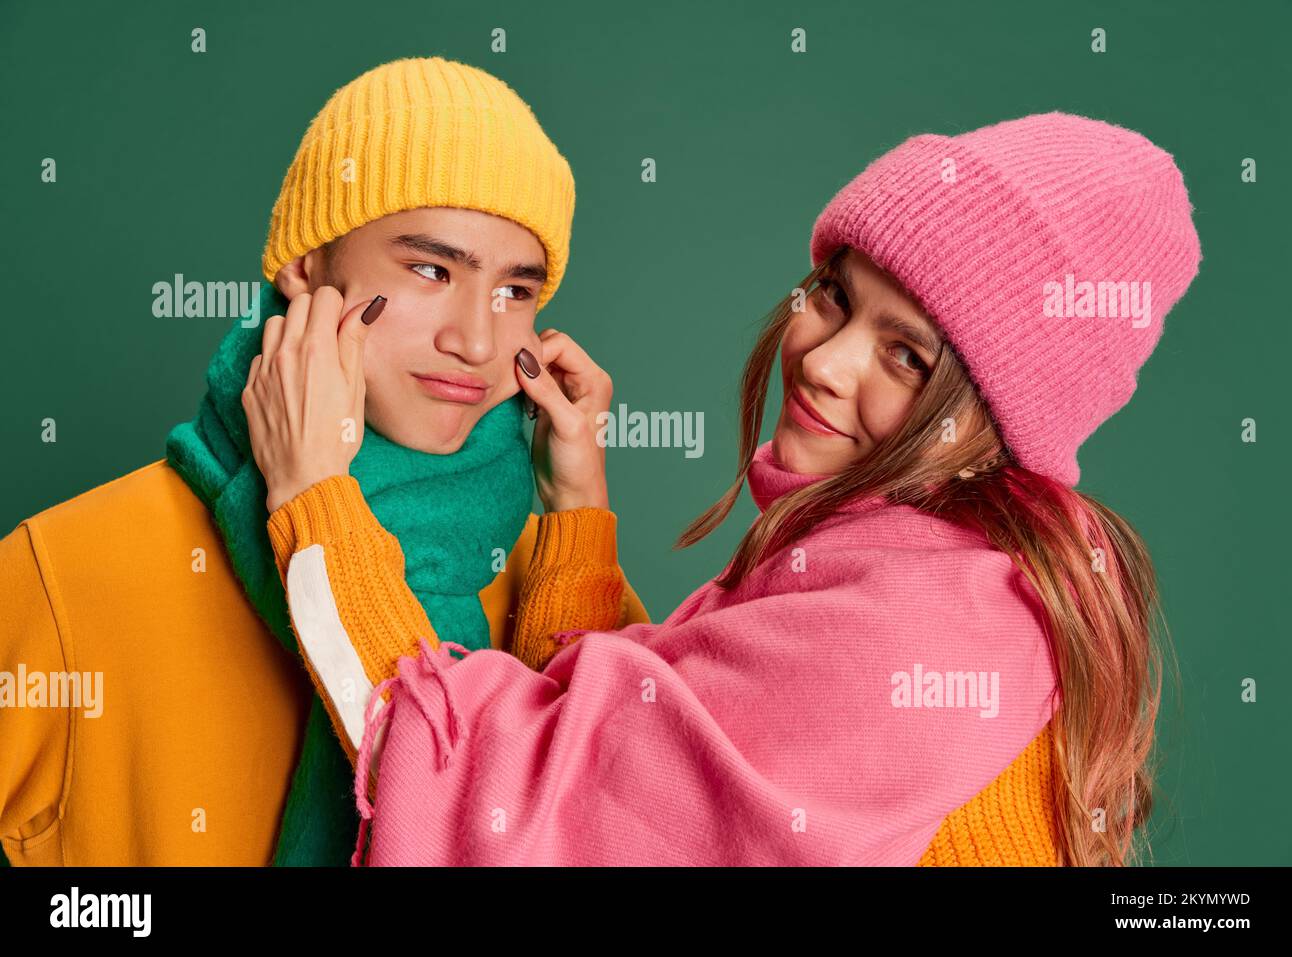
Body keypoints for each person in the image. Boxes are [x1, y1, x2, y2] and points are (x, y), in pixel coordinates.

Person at [248, 111, 1203, 866]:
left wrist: (313, 494)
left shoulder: (927, 632)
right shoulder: (918, 562)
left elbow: (511, 819)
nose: (825, 361)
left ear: (998, 423)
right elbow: (622, 774)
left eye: (907, 356)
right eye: (834, 296)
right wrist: (577, 511)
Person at [0, 56, 647, 866]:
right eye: (430, 269)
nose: (478, 341)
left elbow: (603, 828)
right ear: (306, 267)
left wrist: (578, 513)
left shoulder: (568, 581)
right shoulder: (64, 571)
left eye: (515, 292)